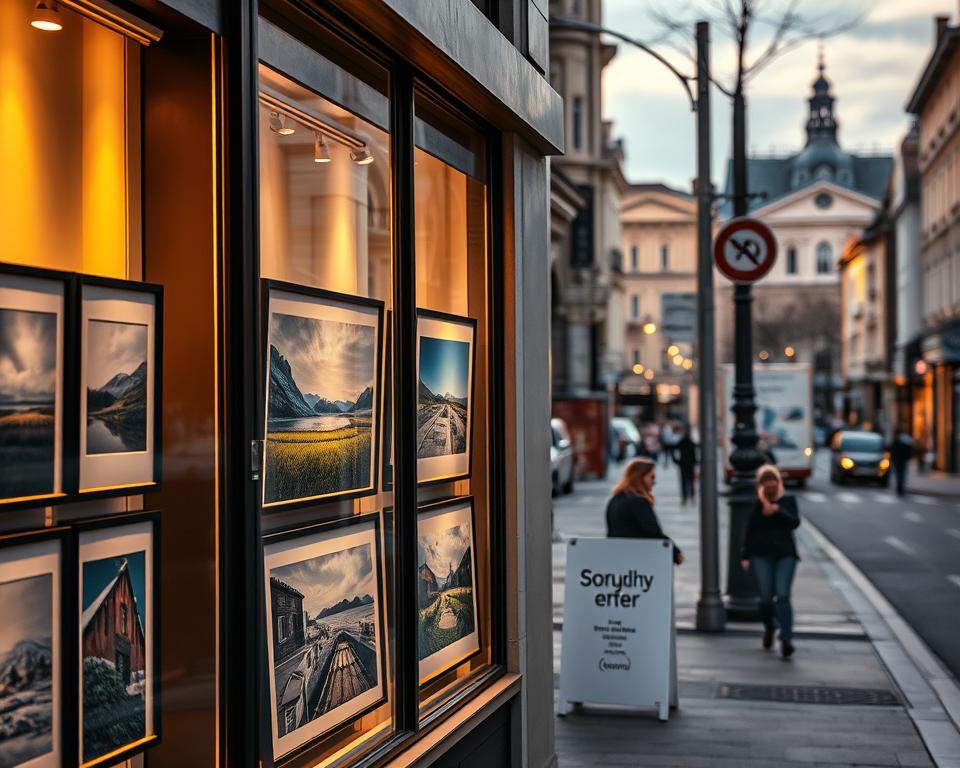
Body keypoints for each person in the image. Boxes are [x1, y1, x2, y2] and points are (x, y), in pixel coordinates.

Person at [740, 464, 801, 659]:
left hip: (785, 555)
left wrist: (777, 510)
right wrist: (745, 556)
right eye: (766, 483)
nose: (770, 486)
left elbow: (795, 522)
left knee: (783, 595)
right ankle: (770, 626)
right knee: (765, 599)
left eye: (773, 482)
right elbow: (750, 530)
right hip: (761, 555)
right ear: (760, 485)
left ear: (778, 482)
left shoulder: (788, 501)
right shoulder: (757, 505)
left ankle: (786, 638)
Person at [606, 458, 684, 565]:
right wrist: (675, 553)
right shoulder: (638, 502)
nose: (654, 482)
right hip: (637, 560)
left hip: (618, 558)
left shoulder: (615, 499)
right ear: (639, 477)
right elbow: (654, 532)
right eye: (652, 477)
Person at [671, 427, 698, 506]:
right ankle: (690, 496)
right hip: (689, 464)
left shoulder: (682, 442)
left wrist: (676, 460)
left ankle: (685, 497)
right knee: (690, 481)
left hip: (683, 464)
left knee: (684, 481)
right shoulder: (690, 443)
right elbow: (695, 454)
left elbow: (673, 450)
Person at [889, 428, 914, 497]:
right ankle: (900, 489)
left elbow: (893, 449)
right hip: (900, 460)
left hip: (900, 460)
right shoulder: (904, 440)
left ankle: (900, 489)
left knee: (900, 475)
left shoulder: (900, 440)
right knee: (900, 475)